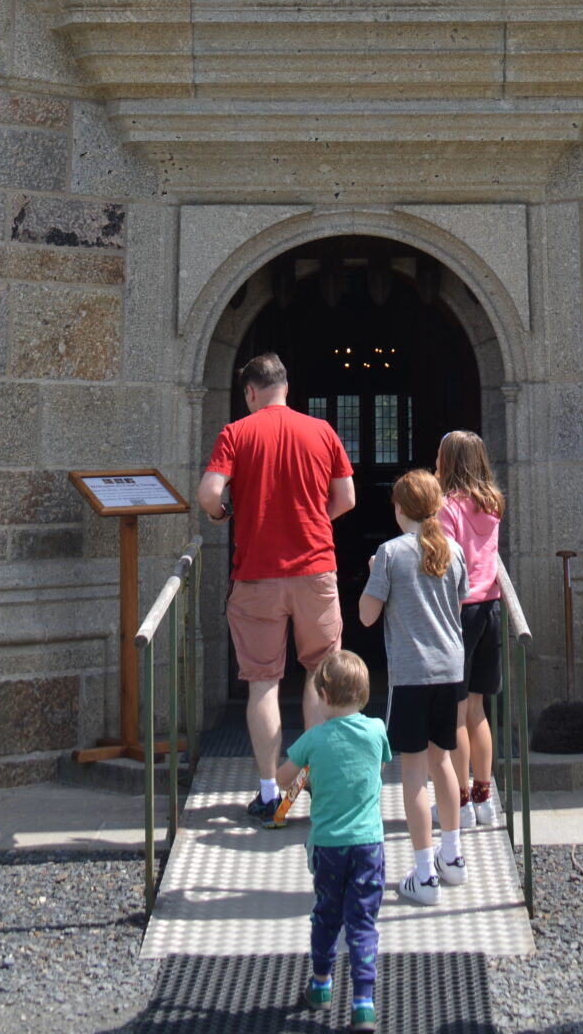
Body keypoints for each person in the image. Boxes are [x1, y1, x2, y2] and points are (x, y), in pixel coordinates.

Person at [198, 351, 356, 824]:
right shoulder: (322, 431)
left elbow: (209, 493)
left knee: (262, 683)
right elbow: (347, 498)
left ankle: (269, 794)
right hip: (314, 570)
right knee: (320, 675)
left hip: (257, 575)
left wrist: (223, 514)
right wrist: (309, 521)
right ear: (286, 387)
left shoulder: (236, 433)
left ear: (250, 392)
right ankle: (315, 784)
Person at [359, 467, 469, 906]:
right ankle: (453, 857)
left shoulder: (389, 553)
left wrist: (372, 573)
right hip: (451, 669)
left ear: (399, 508)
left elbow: (367, 614)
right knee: (442, 763)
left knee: (412, 773)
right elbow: (457, 602)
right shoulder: (455, 551)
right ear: (438, 506)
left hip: (411, 674)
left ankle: (424, 875)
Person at [276, 650, 388, 1030]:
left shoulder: (313, 739)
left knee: (326, 915)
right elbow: (379, 764)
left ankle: (321, 984)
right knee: (362, 922)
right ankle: (363, 1003)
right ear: (365, 694)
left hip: (328, 845)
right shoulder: (376, 731)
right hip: (369, 844)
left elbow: (280, 779)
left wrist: (305, 769)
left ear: (323, 697)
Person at [435, 428, 504, 831]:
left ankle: (459, 800)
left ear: (451, 462)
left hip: (460, 613)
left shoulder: (447, 509)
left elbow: (445, 564)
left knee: (455, 713)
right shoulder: (491, 504)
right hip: (490, 608)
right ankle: (483, 795)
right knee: (478, 709)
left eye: (441, 456)